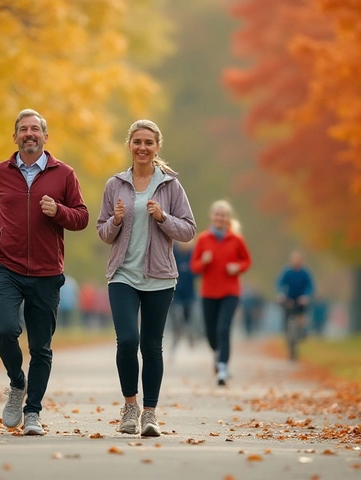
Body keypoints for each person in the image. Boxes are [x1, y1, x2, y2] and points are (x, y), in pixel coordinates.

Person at [0, 109, 89, 436]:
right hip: (5, 266)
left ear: (45, 136)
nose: (29, 133)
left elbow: (81, 217)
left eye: (35, 129)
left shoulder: (64, 174)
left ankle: (34, 412)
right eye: (23, 129)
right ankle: (17, 382)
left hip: (46, 272)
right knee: (6, 331)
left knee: (41, 348)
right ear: (14, 137)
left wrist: (59, 212)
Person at [97, 119, 196, 437]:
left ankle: (150, 414)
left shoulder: (170, 185)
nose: (142, 147)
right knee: (127, 340)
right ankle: (130, 407)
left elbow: (189, 230)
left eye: (148, 143)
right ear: (130, 145)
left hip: (159, 276)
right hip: (123, 274)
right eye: (137, 142)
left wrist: (163, 217)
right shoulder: (115, 184)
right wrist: (115, 221)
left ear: (157, 147)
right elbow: (102, 231)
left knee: (152, 346)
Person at [190, 200, 251, 386]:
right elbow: (194, 267)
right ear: (212, 217)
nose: (220, 218)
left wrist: (237, 267)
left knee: (223, 329)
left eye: (223, 215)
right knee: (211, 333)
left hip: (230, 292)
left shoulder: (236, 239)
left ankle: (222, 367)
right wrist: (205, 262)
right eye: (217, 214)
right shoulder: (203, 239)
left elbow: (247, 261)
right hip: (208, 292)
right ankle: (218, 353)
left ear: (228, 218)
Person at [276, 250, 315, 359]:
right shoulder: (287, 272)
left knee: (302, 317)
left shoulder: (305, 272)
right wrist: (281, 294)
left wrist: (306, 296)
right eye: (294, 260)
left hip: (301, 299)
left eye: (298, 260)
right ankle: (288, 338)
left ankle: (303, 331)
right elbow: (280, 283)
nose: (296, 262)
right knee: (286, 319)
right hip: (289, 299)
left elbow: (310, 286)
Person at [169, 240, 197, 355]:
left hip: (189, 293)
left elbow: (197, 271)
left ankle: (190, 334)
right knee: (175, 317)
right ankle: (176, 338)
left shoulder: (193, 254)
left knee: (188, 317)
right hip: (175, 292)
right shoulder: (173, 252)